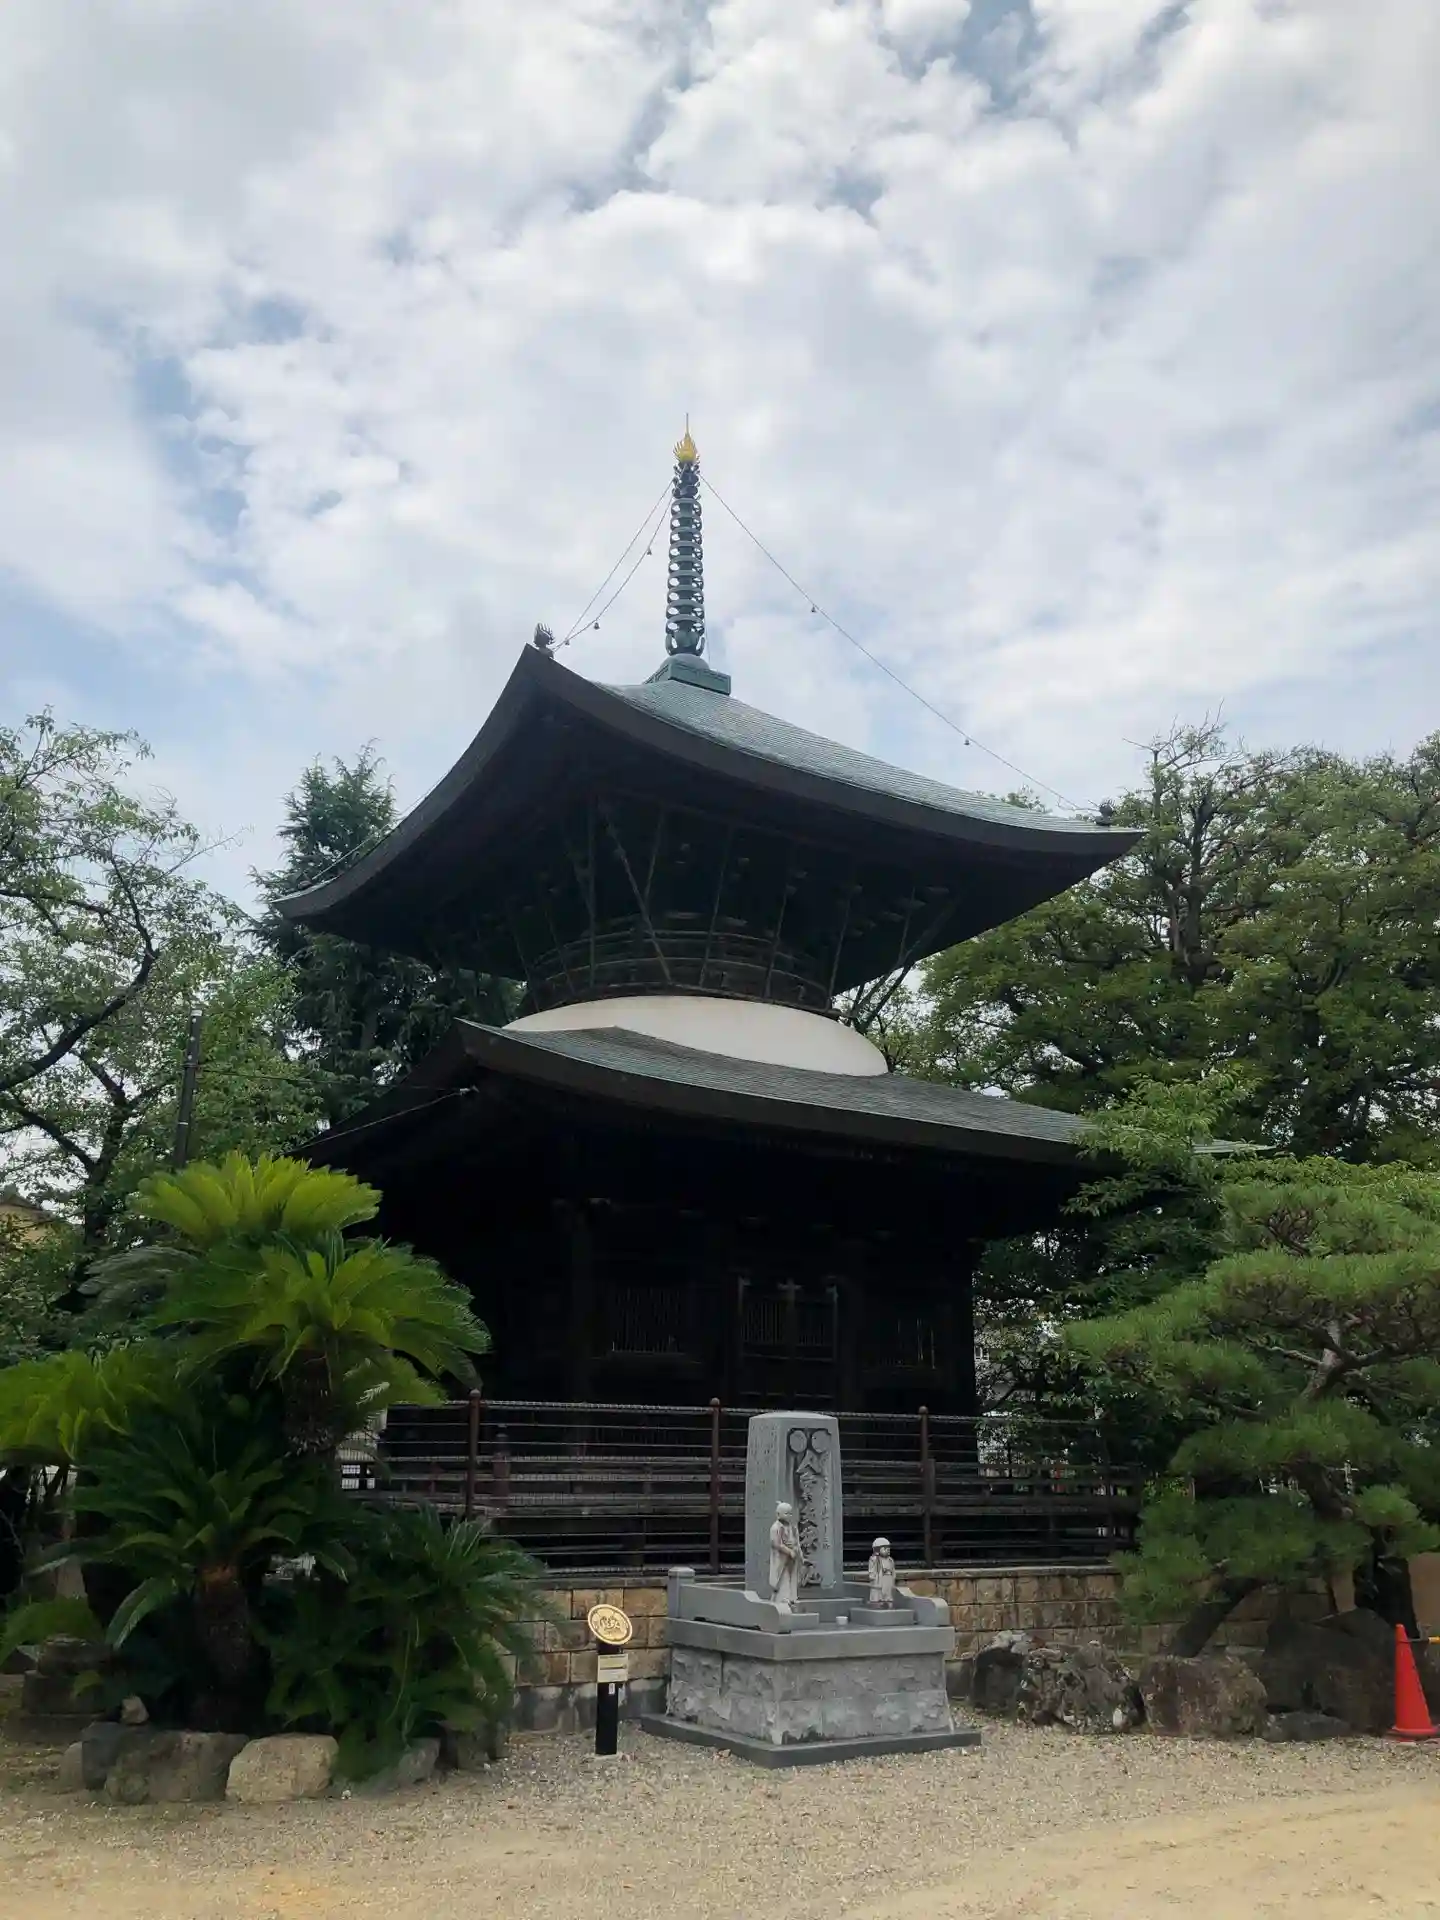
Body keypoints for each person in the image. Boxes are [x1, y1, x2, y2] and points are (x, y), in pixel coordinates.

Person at [768, 1501, 803, 1606]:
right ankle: (783, 1597)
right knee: (783, 1577)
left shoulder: (793, 1527)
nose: (789, 1516)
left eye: (790, 1513)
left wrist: (799, 1552)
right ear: (778, 1514)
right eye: (786, 1513)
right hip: (781, 1557)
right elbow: (776, 1543)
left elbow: (797, 1541)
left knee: (793, 1576)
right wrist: (788, 1551)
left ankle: (793, 1596)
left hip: (793, 1556)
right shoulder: (776, 1527)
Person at [867, 1536, 897, 1608]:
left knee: (888, 1593)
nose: (887, 1550)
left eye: (888, 1549)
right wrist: (872, 1576)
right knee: (877, 1593)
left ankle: (888, 1602)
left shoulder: (890, 1560)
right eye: (885, 1549)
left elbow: (892, 1569)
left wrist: (893, 1577)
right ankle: (877, 1604)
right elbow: (872, 1569)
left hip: (888, 1578)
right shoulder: (874, 1559)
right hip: (879, 1579)